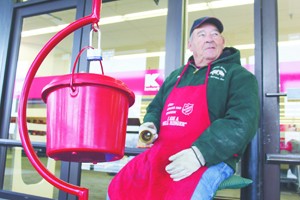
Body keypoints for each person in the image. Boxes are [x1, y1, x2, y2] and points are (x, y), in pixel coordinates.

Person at [108, 16, 260, 200]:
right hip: (161, 153)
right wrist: (150, 125)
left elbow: (242, 122)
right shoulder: (176, 76)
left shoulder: (239, 76)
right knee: (120, 188)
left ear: (222, 41)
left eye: (215, 34)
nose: (210, 38)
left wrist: (200, 154)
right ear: (190, 45)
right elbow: (155, 107)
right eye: (201, 34)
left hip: (210, 158)